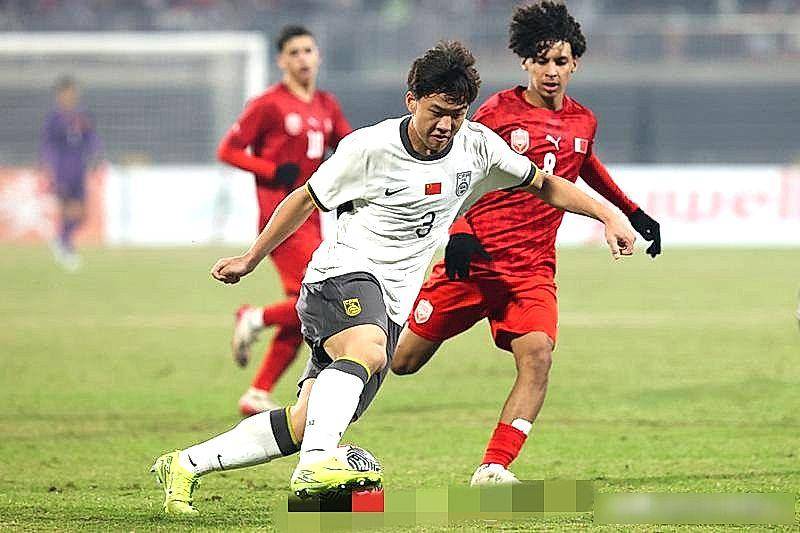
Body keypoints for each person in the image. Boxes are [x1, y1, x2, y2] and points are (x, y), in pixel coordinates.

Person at [150, 40, 635, 515]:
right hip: (341, 274)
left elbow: (545, 184)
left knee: (305, 421)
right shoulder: (370, 148)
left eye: (456, 114)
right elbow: (304, 199)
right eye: (436, 112)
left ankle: (185, 464)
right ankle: (315, 468)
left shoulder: (477, 146)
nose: (445, 126)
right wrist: (251, 258)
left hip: (393, 302)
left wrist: (609, 215)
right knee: (367, 351)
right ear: (412, 101)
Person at [391, 1, 662, 486]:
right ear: (525, 62)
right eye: (541, 60)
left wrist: (632, 214)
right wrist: (459, 233)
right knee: (400, 362)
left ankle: (493, 468)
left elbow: (585, 166)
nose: (551, 71)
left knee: (538, 357)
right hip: (474, 260)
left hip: (531, 271)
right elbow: (460, 173)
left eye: (561, 61)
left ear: (575, 63)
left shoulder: (583, 121)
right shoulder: (497, 112)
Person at [217, 25, 351, 415]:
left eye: (308, 50)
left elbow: (348, 146)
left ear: (318, 55)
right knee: (321, 296)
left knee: (306, 306)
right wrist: (271, 169)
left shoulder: (326, 104)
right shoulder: (269, 104)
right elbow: (228, 150)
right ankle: (255, 317)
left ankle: (257, 392)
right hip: (281, 218)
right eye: (294, 52)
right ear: (281, 61)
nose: (302, 58)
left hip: (311, 216)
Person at [40, 75, 101, 271]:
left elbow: (91, 137)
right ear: (59, 95)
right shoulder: (54, 119)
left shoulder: (82, 115)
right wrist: (49, 167)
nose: (71, 95)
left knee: (82, 214)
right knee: (68, 210)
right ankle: (65, 246)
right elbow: (48, 145)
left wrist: (95, 154)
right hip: (62, 170)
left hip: (79, 168)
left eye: (73, 92)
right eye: (67, 92)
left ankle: (62, 240)